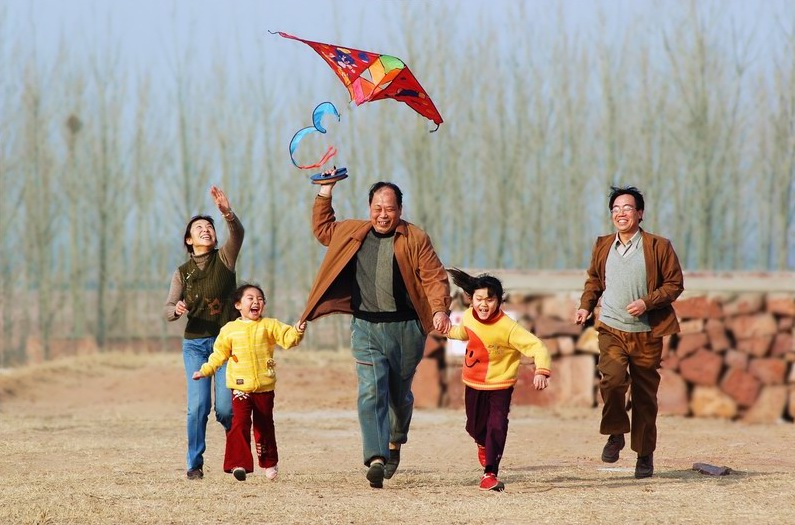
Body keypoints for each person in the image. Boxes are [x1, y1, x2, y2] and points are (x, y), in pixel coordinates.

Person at [300, 176, 452, 489]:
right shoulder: (353, 232)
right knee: (371, 389)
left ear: (399, 209)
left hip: (407, 329)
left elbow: (435, 277)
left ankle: (395, 441)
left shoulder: (415, 238)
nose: (382, 214)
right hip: (365, 326)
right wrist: (325, 192)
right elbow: (324, 229)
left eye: (389, 208)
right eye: (377, 207)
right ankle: (376, 457)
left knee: (398, 396)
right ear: (369, 207)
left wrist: (438, 310)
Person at [574, 185, 684, 479]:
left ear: (640, 213)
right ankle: (615, 433)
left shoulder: (659, 246)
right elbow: (594, 281)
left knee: (645, 396)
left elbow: (674, 285)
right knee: (611, 381)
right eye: (615, 209)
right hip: (611, 327)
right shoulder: (603, 245)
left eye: (627, 208)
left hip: (647, 333)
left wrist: (647, 302)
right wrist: (586, 307)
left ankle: (645, 455)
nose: (621, 214)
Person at [445, 268, 551, 492]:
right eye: (479, 299)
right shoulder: (468, 317)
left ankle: (490, 472)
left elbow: (537, 346)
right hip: (473, 382)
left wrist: (541, 370)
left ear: (499, 301)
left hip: (501, 385)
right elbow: (463, 333)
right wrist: (447, 329)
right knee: (474, 427)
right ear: (471, 300)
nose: (484, 305)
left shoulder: (508, 328)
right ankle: (482, 443)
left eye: (490, 299)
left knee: (497, 424)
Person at [164, 186, 244, 480]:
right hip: (196, 346)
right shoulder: (182, 272)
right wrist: (176, 310)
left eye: (209, 227)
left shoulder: (225, 259)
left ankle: (236, 456)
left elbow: (237, 235)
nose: (206, 230)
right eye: (199, 228)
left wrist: (227, 213)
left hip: (225, 345)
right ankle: (194, 464)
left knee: (225, 409)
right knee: (198, 407)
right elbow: (168, 308)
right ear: (189, 239)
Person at [193, 283, 306, 482]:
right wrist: (204, 370)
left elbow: (288, 339)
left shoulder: (270, 325)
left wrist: (297, 330)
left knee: (264, 426)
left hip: (264, 387)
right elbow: (218, 355)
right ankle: (239, 464)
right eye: (250, 298)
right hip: (240, 387)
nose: (256, 302)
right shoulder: (230, 329)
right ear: (238, 305)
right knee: (240, 423)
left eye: (260, 299)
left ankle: (269, 463)